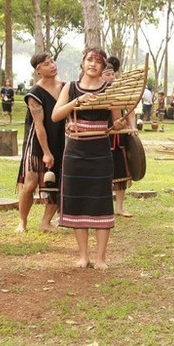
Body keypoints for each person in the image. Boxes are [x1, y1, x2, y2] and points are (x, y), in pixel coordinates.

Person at [52, 47, 121, 269]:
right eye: (89, 60)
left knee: (100, 201)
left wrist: (119, 124)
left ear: (103, 67)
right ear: (82, 63)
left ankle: (101, 258)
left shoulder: (109, 89)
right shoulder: (70, 88)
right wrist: (77, 102)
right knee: (77, 200)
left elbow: (117, 122)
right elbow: (56, 115)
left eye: (98, 61)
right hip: (74, 151)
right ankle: (83, 255)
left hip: (100, 151)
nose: (93, 64)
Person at [16, 53, 65, 232]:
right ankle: (22, 221)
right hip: (38, 141)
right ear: (38, 70)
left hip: (61, 139)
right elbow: (39, 125)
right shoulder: (34, 94)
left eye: (52, 61)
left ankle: (46, 222)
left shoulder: (65, 88)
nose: (52, 65)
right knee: (30, 183)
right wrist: (46, 152)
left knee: (57, 182)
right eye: (46, 63)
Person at [103, 57, 135, 218]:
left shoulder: (120, 90)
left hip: (119, 137)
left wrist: (132, 127)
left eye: (112, 74)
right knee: (102, 173)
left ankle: (120, 207)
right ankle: (104, 206)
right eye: (107, 74)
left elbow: (130, 108)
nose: (111, 77)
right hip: (102, 135)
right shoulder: (94, 91)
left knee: (121, 171)